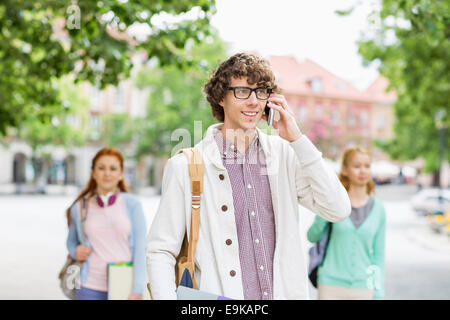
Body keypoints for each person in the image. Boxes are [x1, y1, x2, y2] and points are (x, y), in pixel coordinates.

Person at [146, 52, 351, 300]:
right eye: (242, 91)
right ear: (221, 97)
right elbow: (160, 250)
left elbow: (338, 208)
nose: (254, 101)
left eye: (261, 91)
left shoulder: (284, 155)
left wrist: (297, 139)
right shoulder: (186, 166)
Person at [66, 147, 147, 300]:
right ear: (93, 173)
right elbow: (71, 241)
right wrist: (75, 250)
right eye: (101, 168)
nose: (107, 173)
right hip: (88, 287)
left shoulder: (133, 205)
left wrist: (137, 289)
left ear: (121, 173)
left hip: (123, 286)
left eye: (113, 168)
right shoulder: (79, 207)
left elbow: (140, 250)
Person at [307, 147, 386, 300]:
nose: (363, 171)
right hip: (330, 285)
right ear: (344, 170)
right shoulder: (333, 202)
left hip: (363, 288)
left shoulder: (379, 209)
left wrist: (378, 290)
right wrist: (324, 211)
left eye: (367, 166)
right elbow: (312, 236)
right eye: (357, 166)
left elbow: (378, 255)